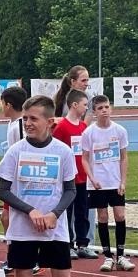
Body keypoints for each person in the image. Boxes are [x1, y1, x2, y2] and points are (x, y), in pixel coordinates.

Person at [0, 95, 96, 277]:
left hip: (55, 229)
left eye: (33, 119)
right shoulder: (15, 151)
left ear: (50, 122)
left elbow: (71, 190)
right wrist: (31, 211)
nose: (27, 123)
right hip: (23, 230)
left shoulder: (61, 152)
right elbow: (2, 190)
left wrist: (54, 214)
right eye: (25, 118)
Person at [81, 95, 133, 272]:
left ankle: (121, 255)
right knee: (103, 217)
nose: (104, 110)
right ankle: (107, 257)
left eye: (106, 107)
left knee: (120, 215)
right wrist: (92, 178)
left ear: (110, 108)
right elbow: (85, 159)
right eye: (100, 108)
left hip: (115, 182)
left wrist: (123, 181)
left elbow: (124, 157)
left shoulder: (120, 131)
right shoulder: (89, 133)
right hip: (98, 183)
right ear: (94, 112)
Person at [53, 89, 95, 258]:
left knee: (82, 211)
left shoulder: (84, 127)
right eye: (85, 105)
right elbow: (55, 150)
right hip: (67, 178)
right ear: (74, 105)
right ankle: (68, 243)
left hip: (83, 177)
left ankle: (83, 244)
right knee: (67, 212)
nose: (86, 109)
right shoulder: (62, 127)